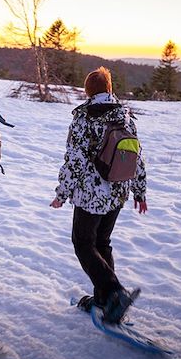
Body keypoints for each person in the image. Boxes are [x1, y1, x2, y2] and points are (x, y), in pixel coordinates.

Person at [50, 66, 147, 324]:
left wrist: (62, 192)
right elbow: (136, 156)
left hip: (91, 195)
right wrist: (139, 190)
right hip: (118, 191)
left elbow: (75, 161)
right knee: (101, 243)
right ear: (110, 89)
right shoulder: (125, 116)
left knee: (83, 244)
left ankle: (114, 293)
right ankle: (105, 300)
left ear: (87, 92)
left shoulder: (85, 118)